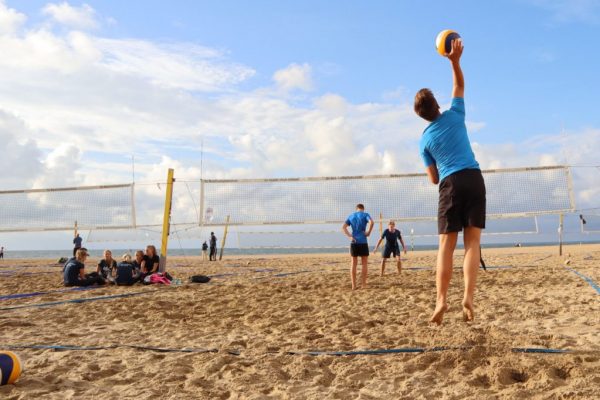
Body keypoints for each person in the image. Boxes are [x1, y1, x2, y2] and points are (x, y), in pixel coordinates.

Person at [414, 38, 486, 325]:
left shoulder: (424, 140)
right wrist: (454, 62)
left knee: (446, 246)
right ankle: (468, 297)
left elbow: (433, 179)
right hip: (474, 178)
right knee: (473, 243)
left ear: (420, 116)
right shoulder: (456, 115)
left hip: (450, 183)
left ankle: (441, 300)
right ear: (438, 105)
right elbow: (459, 86)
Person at [342, 204, 374, 290]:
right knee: (364, 264)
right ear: (363, 209)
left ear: (356, 209)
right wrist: (368, 233)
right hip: (363, 241)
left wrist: (350, 236)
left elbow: (343, 227)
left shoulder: (351, 216)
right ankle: (363, 284)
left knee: (353, 264)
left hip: (354, 241)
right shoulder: (365, 214)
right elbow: (372, 222)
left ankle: (354, 285)